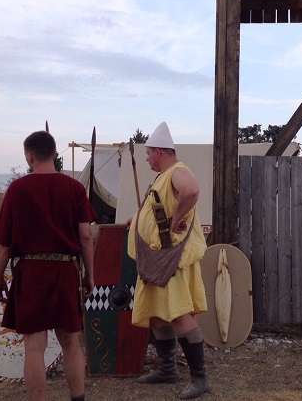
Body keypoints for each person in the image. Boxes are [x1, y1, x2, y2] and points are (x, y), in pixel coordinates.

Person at [0, 130, 96, 401]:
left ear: (29, 156)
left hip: (31, 274)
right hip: (65, 271)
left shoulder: (17, 189)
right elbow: (86, 236)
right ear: (54, 154)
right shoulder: (75, 188)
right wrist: (89, 275)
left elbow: (4, 244)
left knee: (34, 347)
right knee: (71, 343)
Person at [127, 122, 209, 400]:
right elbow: (160, 208)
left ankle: (200, 378)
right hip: (156, 259)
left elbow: (192, 191)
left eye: (148, 153)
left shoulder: (177, 171)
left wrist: (177, 219)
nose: (147, 158)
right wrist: (138, 220)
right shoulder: (163, 178)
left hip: (168, 260)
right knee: (157, 315)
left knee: (178, 314)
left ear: (159, 152)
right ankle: (167, 370)